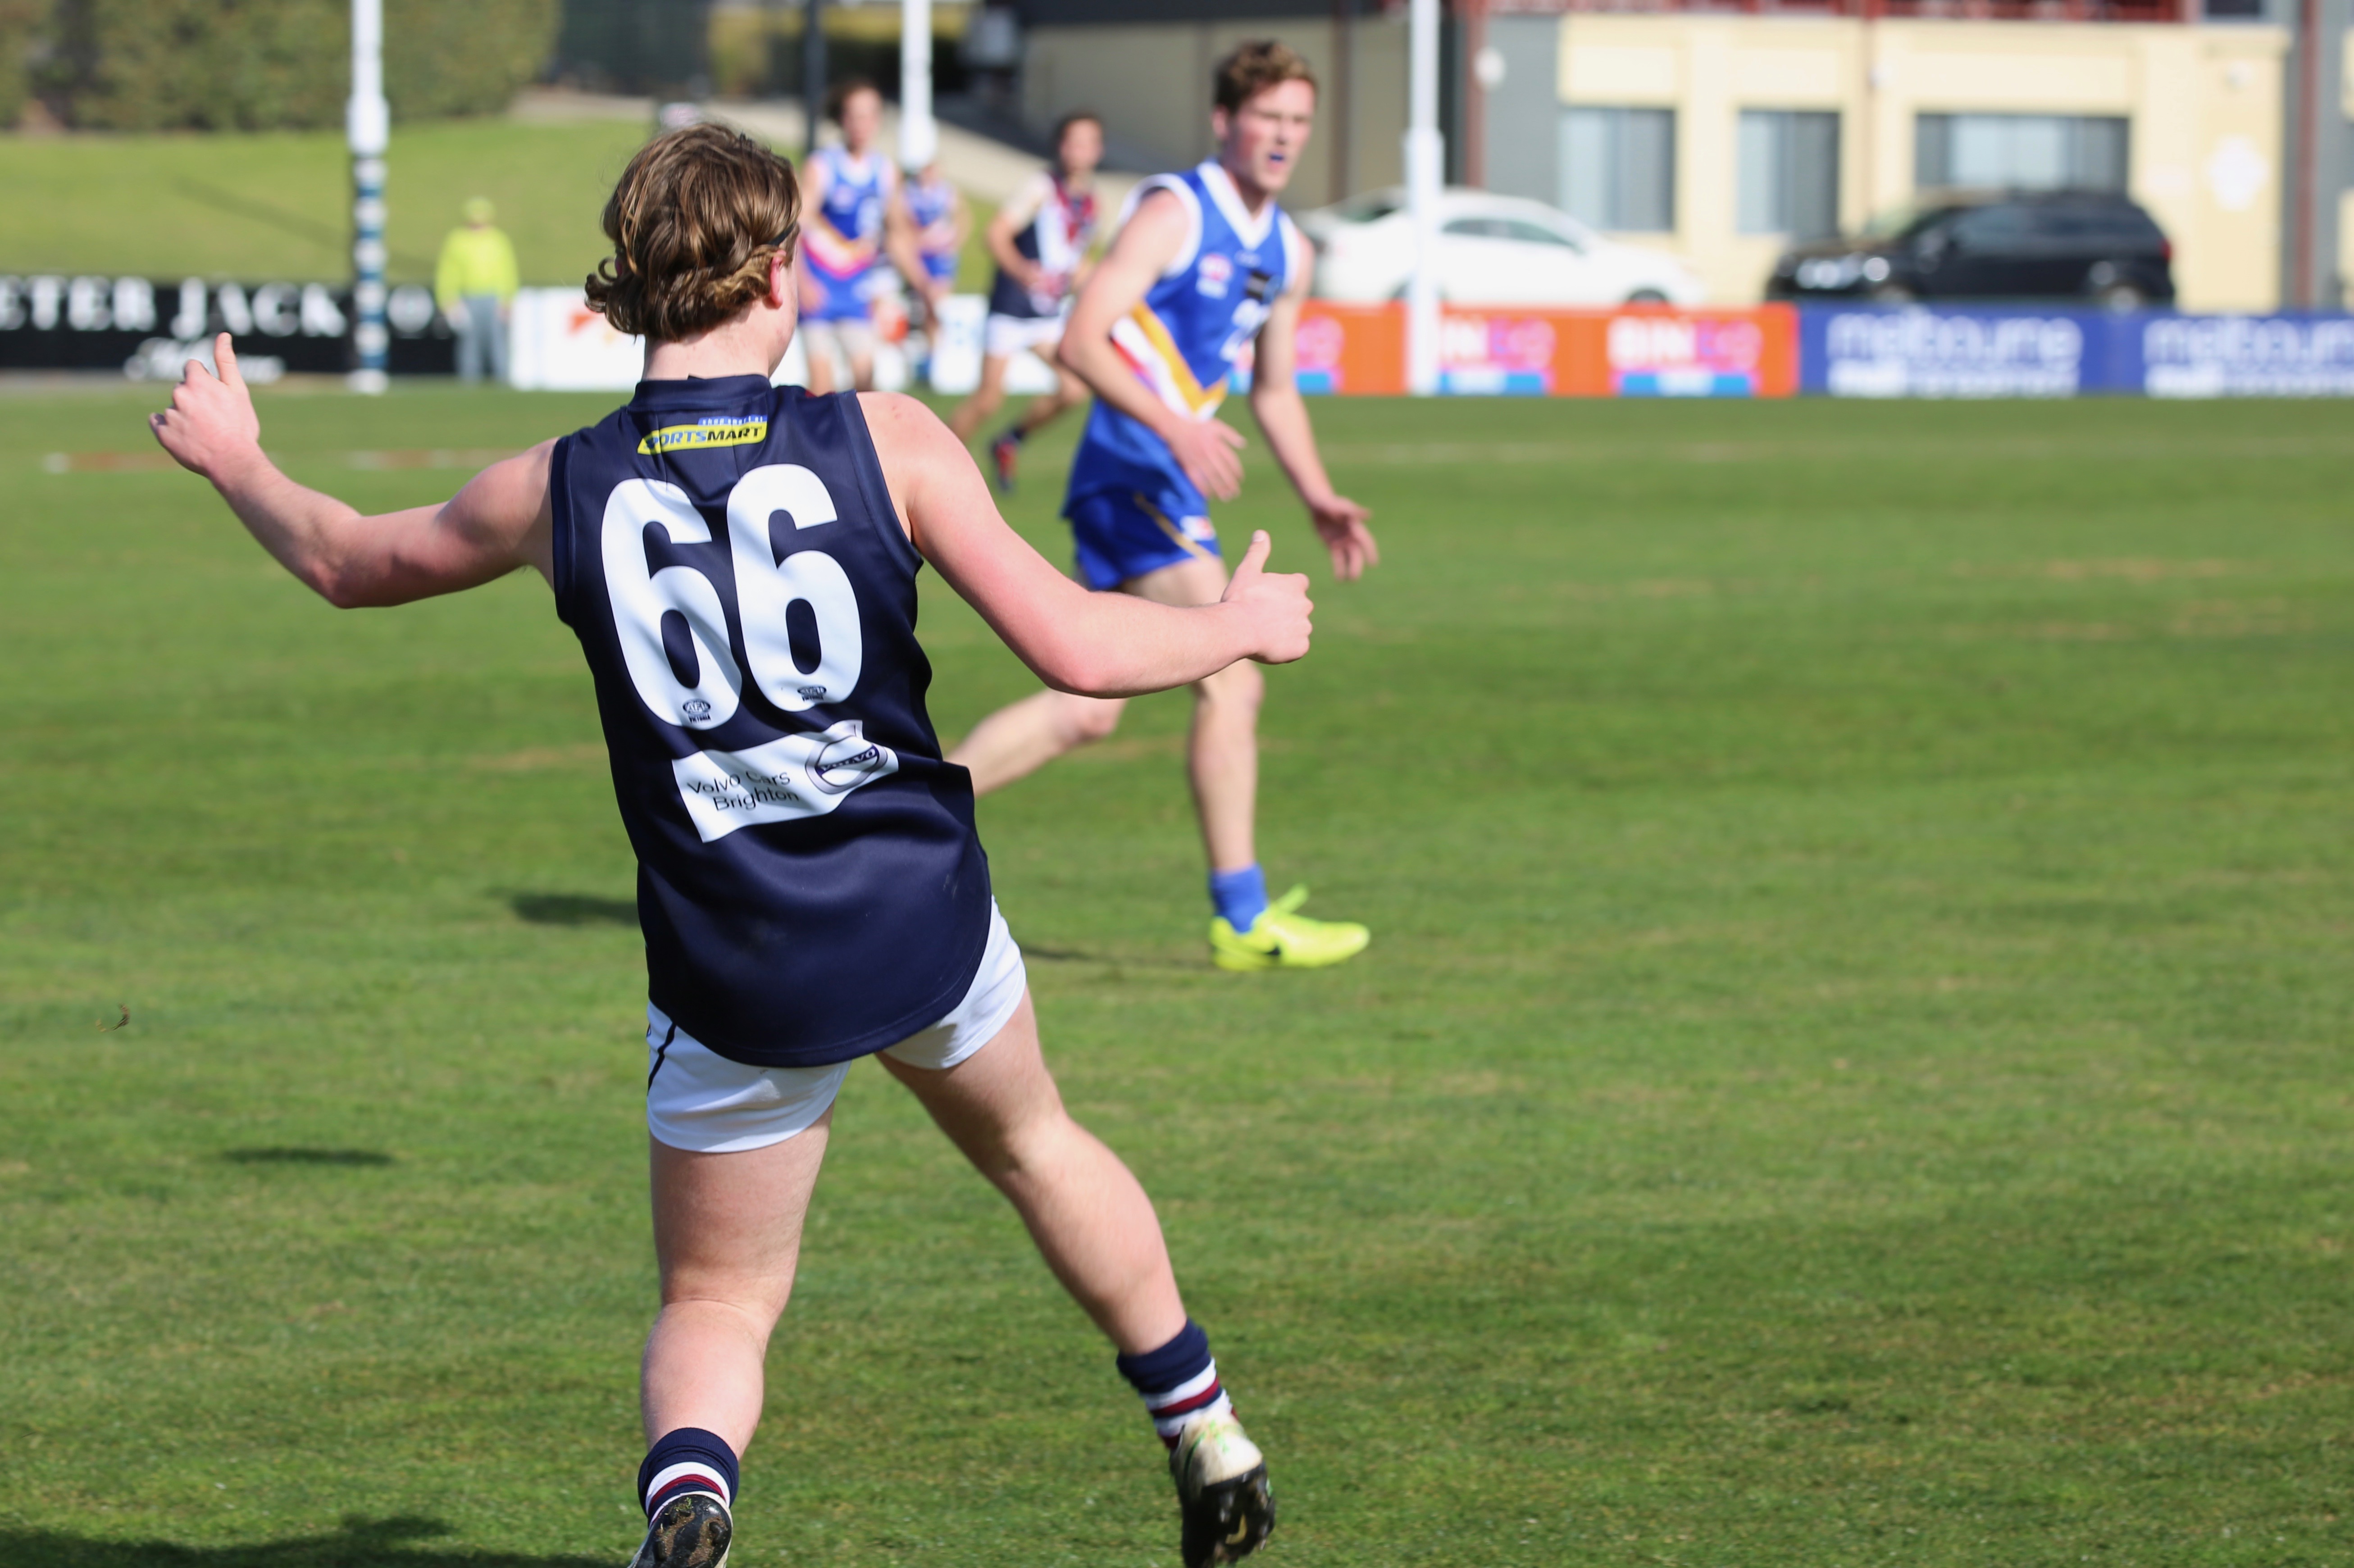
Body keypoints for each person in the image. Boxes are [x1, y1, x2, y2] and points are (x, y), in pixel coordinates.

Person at [147, 123, 1297, 1568]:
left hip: (737, 957)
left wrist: (238, 460)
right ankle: (1204, 1425)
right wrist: (1235, 625)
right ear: (778, 275)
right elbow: (1074, 645)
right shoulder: (888, 437)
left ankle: (690, 1501)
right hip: (923, 918)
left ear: (632, 285)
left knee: (717, 1297)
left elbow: (342, 560)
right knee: (1037, 1145)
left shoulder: (554, 485)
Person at [948, 43, 1380, 973]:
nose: (1283, 137)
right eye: (1267, 118)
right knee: (1233, 675)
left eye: (1298, 121)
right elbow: (1082, 338)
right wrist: (1175, 426)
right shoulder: (1175, 212)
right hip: (1133, 473)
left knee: (1086, 709)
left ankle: (887, 819)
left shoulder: (1289, 250)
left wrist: (1317, 495)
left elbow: (1273, 390)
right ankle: (1242, 918)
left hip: (1158, 478)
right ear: (1225, 121)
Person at [947, 111, 1104, 491]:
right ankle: (932, 458)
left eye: (1087, 143)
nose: (1079, 151)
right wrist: (1022, 271)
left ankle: (1009, 441)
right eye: (1073, 142)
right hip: (1013, 308)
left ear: (1098, 151)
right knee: (988, 400)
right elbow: (996, 234)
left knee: (1074, 388)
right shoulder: (1041, 188)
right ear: (1060, 146)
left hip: (1046, 314)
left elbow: (1075, 261)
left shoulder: (1090, 203)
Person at [796, 80, 924, 395]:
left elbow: (897, 236)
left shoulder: (886, 172)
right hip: (819, 288)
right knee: (822, 387)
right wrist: (802, 280)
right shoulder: (823, 166)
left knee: (866, 384)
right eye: (854, 115)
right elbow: (794, 226)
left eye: (868, 115)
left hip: (857, 292)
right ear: (842, 119)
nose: (861, 124)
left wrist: (924, 287)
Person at [435, 196, 519, 385]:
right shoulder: (457, 240)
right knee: (469, 344)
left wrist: (508, 299)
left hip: (495, 298)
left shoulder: (498, 240)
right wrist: (448, 299)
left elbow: (508, 271)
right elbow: (447, 272)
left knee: (498, 343)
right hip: (467, 298)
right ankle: (469, 385)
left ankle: (503, 384)